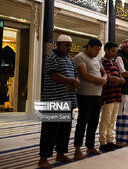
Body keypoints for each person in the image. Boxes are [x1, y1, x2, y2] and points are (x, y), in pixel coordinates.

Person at [38, 35, 80, 168]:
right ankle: (43, 159)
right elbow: (54, 75)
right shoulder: (51, 57)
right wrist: (71, 81)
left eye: (70, 45)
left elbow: (74, 74)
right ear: (58, 45)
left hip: (67, 99)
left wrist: (74, 81)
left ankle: (60, 154)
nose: (69, 48)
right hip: (53, 100)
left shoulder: (68, 59)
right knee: (49, 131)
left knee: (64, 130)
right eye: (66, 45)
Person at [73, 38, 107, 159]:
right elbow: (85, 74)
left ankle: (90, 147)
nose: (98, 52)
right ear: (89, 47)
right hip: (84, 95)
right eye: (96, 50)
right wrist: (100, 80)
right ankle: (77, 149)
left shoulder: (97, 60)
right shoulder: (80, 57)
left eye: (99, 50)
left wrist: (104, 79)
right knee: (82, 122)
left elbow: (104, 72)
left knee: (93, 122)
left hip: (97, 95)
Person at [99, 42, 125, 151]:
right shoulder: (103, 62)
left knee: (112, 120)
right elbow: (109, 78)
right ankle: (103, 142)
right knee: (105, 119)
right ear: (106, 50)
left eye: (116, 51)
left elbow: (120, 78)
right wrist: (119, 81)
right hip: (108, 96)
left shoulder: (114, 63)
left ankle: (110, 140)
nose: (114, 53)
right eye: (113, 51)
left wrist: (118, 81)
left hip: (117, 95)